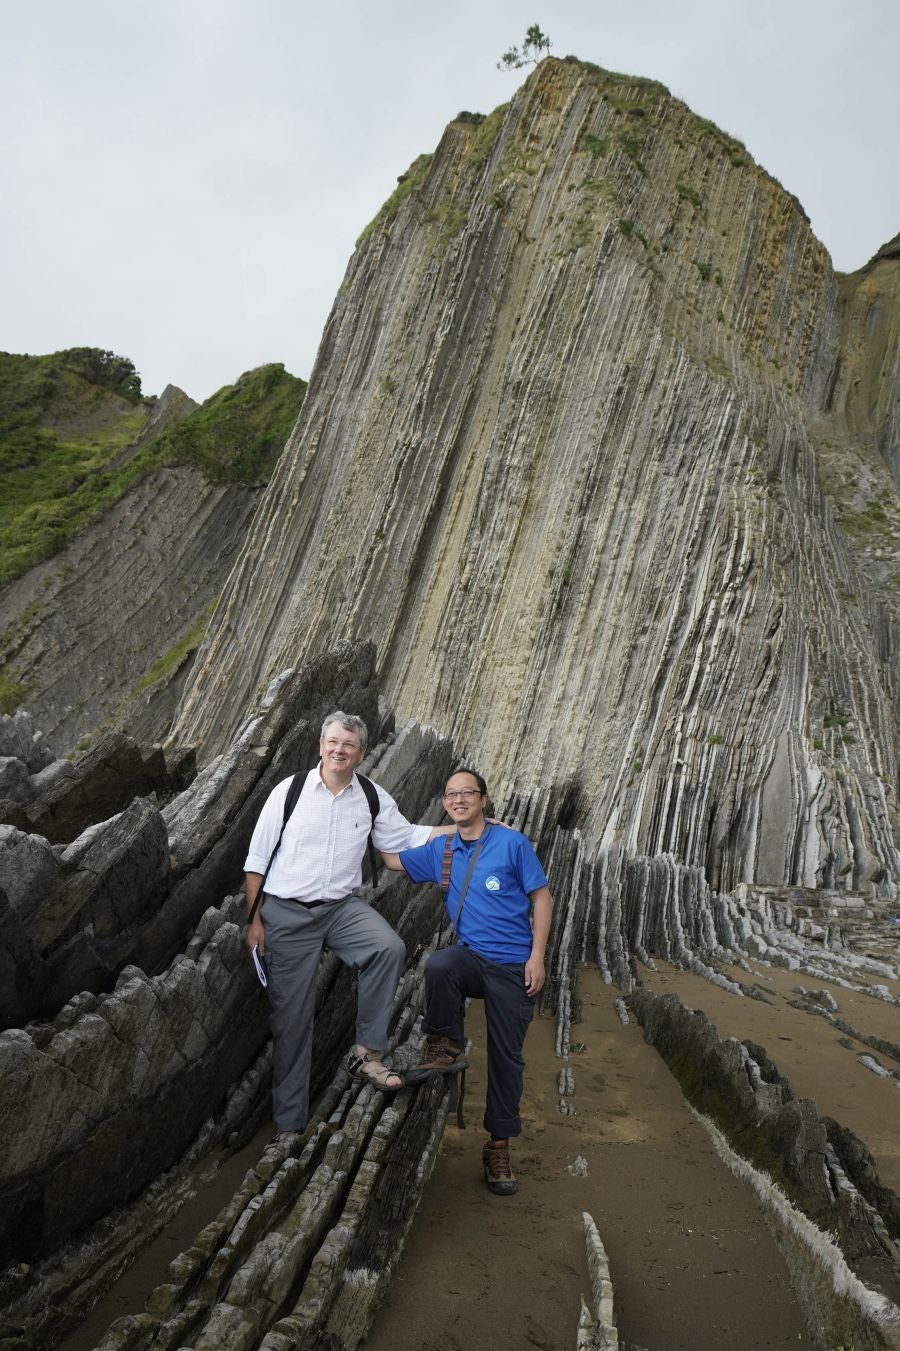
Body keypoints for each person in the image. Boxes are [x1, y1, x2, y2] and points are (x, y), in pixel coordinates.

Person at [244, 711, 454, 1137]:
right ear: (321, 745)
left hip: (340, 909)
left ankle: (367, 1054)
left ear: (361, 753)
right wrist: (254, 922)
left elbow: (408, 836)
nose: (340, 750)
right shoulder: (291, 791)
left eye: (349, 745)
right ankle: (290, 1125)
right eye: (333, 742)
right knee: (292, 1023)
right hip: (285, 913)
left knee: (388, 947)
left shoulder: (372, 797)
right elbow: (256, 861)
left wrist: (463, 828)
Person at [381, 768, 553, 1196]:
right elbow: (390, 858)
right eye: (452, 794)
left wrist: (538, 957)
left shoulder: (511, 843)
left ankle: (498, 1144)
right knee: (440, 965)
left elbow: (542, 896)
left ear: (483, 799)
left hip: (514, 965)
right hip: (473, 960)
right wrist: (359, 822)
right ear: (445, 803)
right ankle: (445, 1044)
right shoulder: (442, 850)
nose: (460, 800)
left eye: (468, 794)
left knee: (506, 1058)